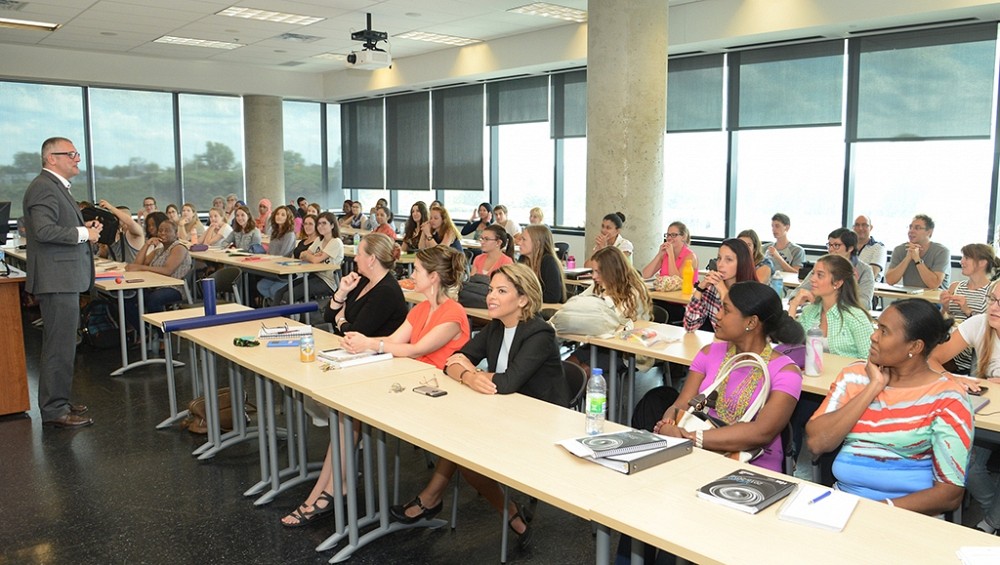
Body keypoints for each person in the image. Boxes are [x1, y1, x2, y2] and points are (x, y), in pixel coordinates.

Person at [282, 246, 469, 527]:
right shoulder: (420, 310)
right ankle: (326, 491)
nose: (411, 274)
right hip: (412, 386)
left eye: (416, 270)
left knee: (350, 415)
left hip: (437, 399)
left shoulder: (453, 314)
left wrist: (370, 343)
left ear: (433, 277)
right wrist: (362, 343)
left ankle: (326, 493)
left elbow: (416, 348)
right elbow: (395, 340)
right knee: (346, 414)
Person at [393, 264, 567, 549]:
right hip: (502, 410)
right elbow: (456, 358)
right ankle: (503, 513)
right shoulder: (496, 327)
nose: (490, 297)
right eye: (490, 290)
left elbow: (508, 382)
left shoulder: (539, 333)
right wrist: (468, 375)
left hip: (539, 422)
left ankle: (444, 501)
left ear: (522, 299)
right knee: (457, 439)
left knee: (464, 449)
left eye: (501, 291)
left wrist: (470, 374)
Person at [807, 299, 970, 515]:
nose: (873, 336)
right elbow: (817, 443)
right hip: (842, 504)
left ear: (914, 346)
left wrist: (873, 512)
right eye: (877, 327)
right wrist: (873, 387)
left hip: (906, 515)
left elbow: (949, 494)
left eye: (884, 331)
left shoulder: (948, 399)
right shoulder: (854, 377)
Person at [22, 136, 101, 428]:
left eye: (76, 153)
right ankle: (54, 410)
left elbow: (56, 228)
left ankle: (59, 400)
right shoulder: (44, 187)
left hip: (63, 279)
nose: (77, 158)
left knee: (64, 344)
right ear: (51, 158)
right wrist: (84, 234)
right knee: (59, 346)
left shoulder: (55, 187)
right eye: (71, 154)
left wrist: (84, 229)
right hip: (57, 280)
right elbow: (43, 231)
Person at [929, 282, 1000, 532]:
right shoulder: (979, 324)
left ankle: (990, 521)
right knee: (966, 460)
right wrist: (956, 378)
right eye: (992, 299)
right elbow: (933, 358)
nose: (993, 307)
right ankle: (995, 514)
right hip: (985, 412)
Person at [788, 254, 874, 359]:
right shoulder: (810, 311)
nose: (812, 279)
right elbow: (789, 346)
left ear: (837, 283)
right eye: (813, 273)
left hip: (848, 374)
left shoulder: (855, 317)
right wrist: (793, 306)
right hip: (814, 373)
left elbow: (870, 360)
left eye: (820, 275)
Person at [123, 219, 192, 335]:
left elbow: (167, 271)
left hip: (174, 288)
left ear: (176, 234)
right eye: (160, 231)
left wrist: (141, 268)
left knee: (154, 299)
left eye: (167, 231)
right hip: (154, 286)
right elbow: (138, 263)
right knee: (127, 298)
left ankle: (161, 336)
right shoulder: (159, 250)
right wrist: (147, 244)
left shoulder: (179, 248)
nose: (162, 233)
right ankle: (145, 331)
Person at [938, 244, 999, 373]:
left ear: (982, 263)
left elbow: (985, 328)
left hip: (968, 346)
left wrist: (967, 310)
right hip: (950, 337)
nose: (962, 262)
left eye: (967, 258)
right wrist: (944, 307)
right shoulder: (955, 286)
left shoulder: (992, 290)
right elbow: (944, 318)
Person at [683, 238, 758, 332]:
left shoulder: (754, 293)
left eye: (729, 260)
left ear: (742, 263)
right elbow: (690, 327)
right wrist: (700, 289)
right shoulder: (712, 289)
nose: (720, 264)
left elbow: (738, 332)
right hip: (721, 344)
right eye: (719, 258)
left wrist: (723, 292)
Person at [789, 228, 875, 309]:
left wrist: (830, 302)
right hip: (821, 312)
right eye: (829, 245)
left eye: (836, 245)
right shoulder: (822, 266)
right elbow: (800, 290)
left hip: (849, 316)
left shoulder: (865, 270)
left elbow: (865, 303)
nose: (831, 249)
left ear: (850, 248)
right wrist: (796, 298)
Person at [280, 211, 343, 303]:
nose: (320, 226)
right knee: (280, 292)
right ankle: (271, 316)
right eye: (319, 224)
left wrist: (312, 257)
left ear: (332, 225)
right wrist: (312, 256)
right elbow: (302, 255)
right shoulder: (319, 239)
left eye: (324, 223)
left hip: (327, 282)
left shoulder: (335, 242)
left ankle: (285, 317)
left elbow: (315, 260)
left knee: (288, 295)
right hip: (314, 276)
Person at [257, 214, 319, 303]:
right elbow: (295, 257)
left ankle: (280, 307)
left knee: (274, 289)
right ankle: (276, 305)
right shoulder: (302, 242)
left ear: (316, 226)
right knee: (261, 286)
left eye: (310, 224)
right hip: (291, 270)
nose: (307, 226)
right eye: (305, 224)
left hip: (304, 274)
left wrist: (304, 257)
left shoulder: (317, 243)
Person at [885, 214, 950, 290]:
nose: (911, 231)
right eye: (910, 227)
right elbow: (890, 281)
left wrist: (917, 259)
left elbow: (934, 284)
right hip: (909, 299)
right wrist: (908, 258)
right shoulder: (899, 249)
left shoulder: (941, 251)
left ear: (929, 232)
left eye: (917, 228)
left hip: (933, 300)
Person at [517, 224, 566, 304]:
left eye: (524, 239)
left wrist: (525, 296)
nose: (519, 243)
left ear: (537, 243)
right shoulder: (523, 260)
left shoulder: (548, 262)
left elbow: (553, 296)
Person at [853, 214, 887, 281]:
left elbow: (871, 275)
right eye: (857, 225)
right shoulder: (848, 246)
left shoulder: (878, 248)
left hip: (869, 289)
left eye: (864, 225)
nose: (860, 228)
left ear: (871, 227)